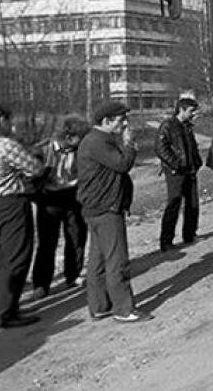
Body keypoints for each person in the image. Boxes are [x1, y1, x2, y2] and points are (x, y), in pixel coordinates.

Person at [76, 100, 151, 322]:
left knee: (98, 260)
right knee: (117, 260)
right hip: (106, 208)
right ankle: (123, 309)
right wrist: (129, 144)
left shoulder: (96, 140)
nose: (125, 124)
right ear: (107, 121)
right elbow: (121, 164)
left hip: (96, 208)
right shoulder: (98, 142)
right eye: (121, 120)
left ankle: (100, 306)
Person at [0, 104, 45, 328]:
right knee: (16, 256)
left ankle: (0, 306)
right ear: (1, 121)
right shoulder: (5, 145)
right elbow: (35, 169)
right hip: (10, 204)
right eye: (8, 120)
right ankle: (7, 311)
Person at [30, 116, 90, 299]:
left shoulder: (81, 150)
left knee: (77, 236)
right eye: (80, 137)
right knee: (47, 242)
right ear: (69, 136)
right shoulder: (42, 150)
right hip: (49, 199)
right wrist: (39, 196)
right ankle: (41, 284)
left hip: (72, 195)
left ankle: (72, 275)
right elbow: (30, 179)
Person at [155, 97, 203, 252]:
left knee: (193, 203)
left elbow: (191, 147)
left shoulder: (187, 127)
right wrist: (175, 164)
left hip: (190, 170)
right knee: (174, 205)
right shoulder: (168, 126)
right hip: (176, 172)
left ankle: (190, 235)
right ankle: (166, 241)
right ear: (181, 110)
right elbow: (160, 148)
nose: (193, 114)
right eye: (191, 111)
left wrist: (196, 163)